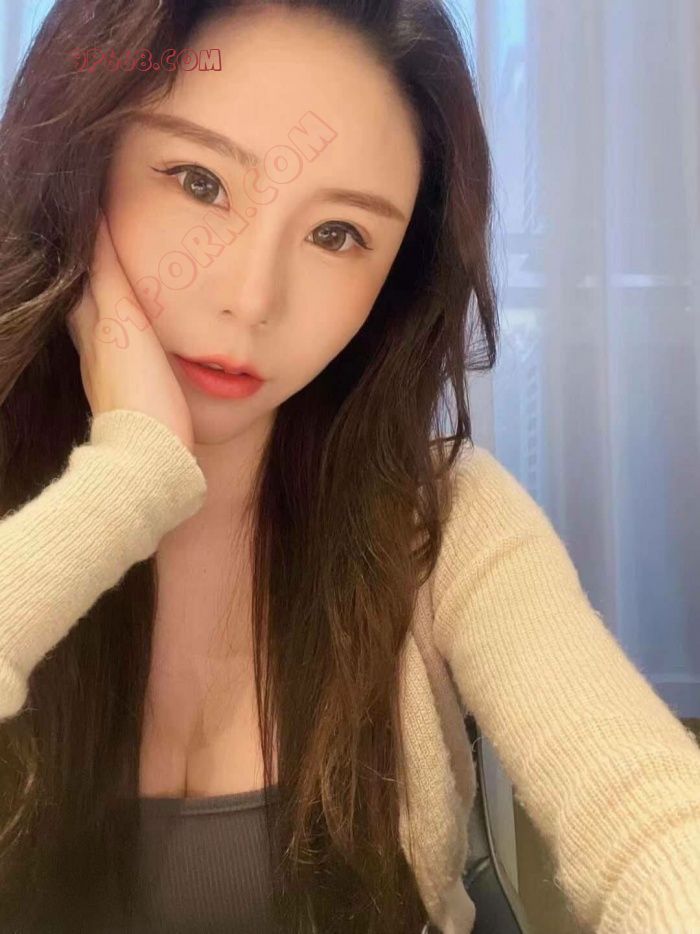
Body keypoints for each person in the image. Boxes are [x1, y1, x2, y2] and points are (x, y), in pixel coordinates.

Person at [1, 0, 699, 932]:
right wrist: (125, 482)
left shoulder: (437, 517)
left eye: (338, 234)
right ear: (73, 172)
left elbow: (648, 815)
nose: (252, 297)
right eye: (199, 181)